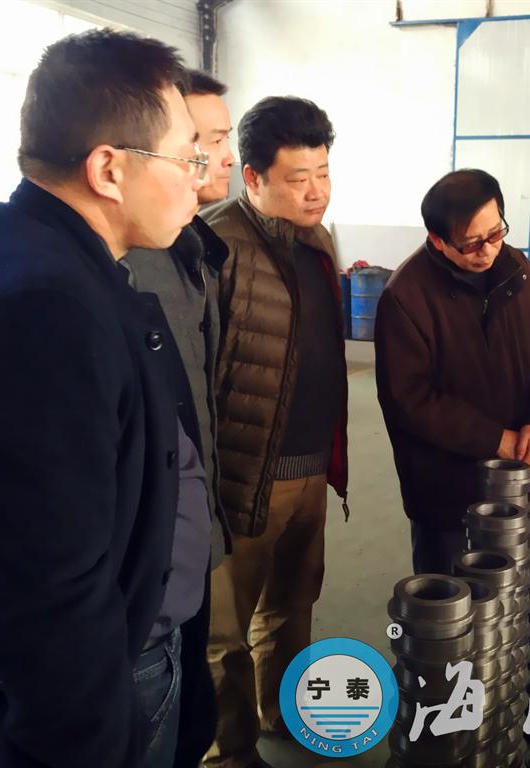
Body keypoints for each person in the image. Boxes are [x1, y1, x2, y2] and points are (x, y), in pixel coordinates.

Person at [0, 30, 216, 768]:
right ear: (109, 169)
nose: (202, 180)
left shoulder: (14, 243)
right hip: (103, 689)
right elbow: (39, 589)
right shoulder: (40, 308)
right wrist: (88, 741)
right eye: (188, 158)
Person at [373, 168, 530, 702]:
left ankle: (527, 709)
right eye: (471, 243)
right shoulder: (406, 296)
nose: (487, 250)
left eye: (495, 232)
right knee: (450, 621)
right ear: (438, 240)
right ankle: (449, 723)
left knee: (516, 600)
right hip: (443, 489)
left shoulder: (519, 275)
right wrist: (493, 438)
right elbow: (410, 399)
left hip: (510, 484)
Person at [202, 96, 348, 768]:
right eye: (298, 178)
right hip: (244, 475)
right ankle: (227, 753)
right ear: (253, 177)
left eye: (323, 173)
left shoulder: (318, 241)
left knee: (293, 605)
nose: (316, 191)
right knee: (224, 631)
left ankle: (282, 714)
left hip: (311, 468)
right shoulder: (214, 244)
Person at [123, 68, 237, 768]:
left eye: (223, 139)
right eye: (204, 140)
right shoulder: (123, 269)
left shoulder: (192, 247)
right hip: (149, 574)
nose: (223, 157)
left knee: (191, 713)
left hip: (188, 535)